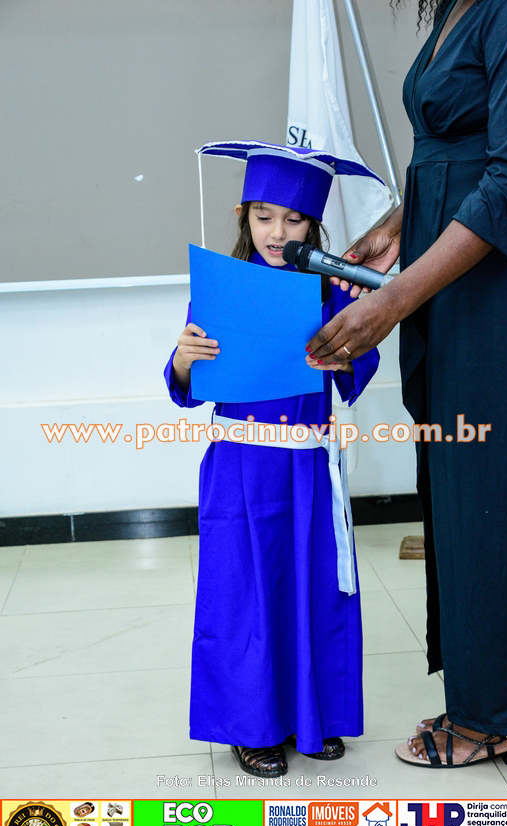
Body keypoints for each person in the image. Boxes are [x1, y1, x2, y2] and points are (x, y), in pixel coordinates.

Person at [306, 0, 507, 767]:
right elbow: (457, 151)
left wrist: (396, 298)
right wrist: (398, 225)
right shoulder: (456, 9)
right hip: (452, 283)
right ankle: (489, 692)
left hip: (496, 289)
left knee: (492, 486)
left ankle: (503, 714)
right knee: (461, 487)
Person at [164, 141, 380, 777]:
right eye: (263, 217)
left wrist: (346, 347)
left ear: (313, 226)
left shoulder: (330, 290)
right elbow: (183, 383)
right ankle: (249, 726)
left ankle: (313, 717)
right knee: (245, 597)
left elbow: (358, 366)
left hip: (308, 466)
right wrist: (183, 358)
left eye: (293, 220)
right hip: (240, 467)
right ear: (244, 218)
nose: (277, 233)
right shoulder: (222, 290)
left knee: (311, 590)